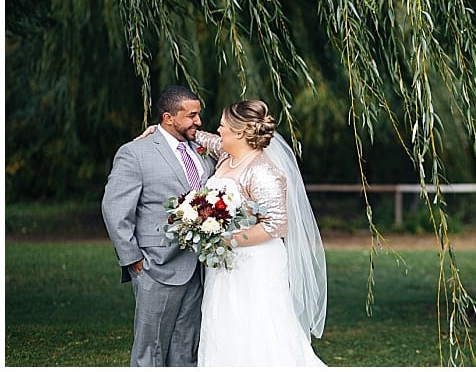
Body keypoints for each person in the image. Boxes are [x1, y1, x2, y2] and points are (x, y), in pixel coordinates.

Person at [142, 99, 327, 366]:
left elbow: (276, 224)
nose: (217, 129)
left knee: (254, 325)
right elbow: (201, 137)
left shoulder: (262, 170)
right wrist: (160, 131)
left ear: (240, 132)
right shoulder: (228, 154)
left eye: (223, 125)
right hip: (224, 263)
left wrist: (224, 239)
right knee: (223, 321)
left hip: (254, 263)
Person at [101, 85, 217, 366]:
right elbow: (115, 209)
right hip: (156, 265)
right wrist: (133, 259)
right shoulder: (136, 153)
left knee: (186, 346)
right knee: (151, 348)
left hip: (198, 267)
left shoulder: (201, 150)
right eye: (191, 116)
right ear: (168, 117)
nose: (198, 122)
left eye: (198, 114)